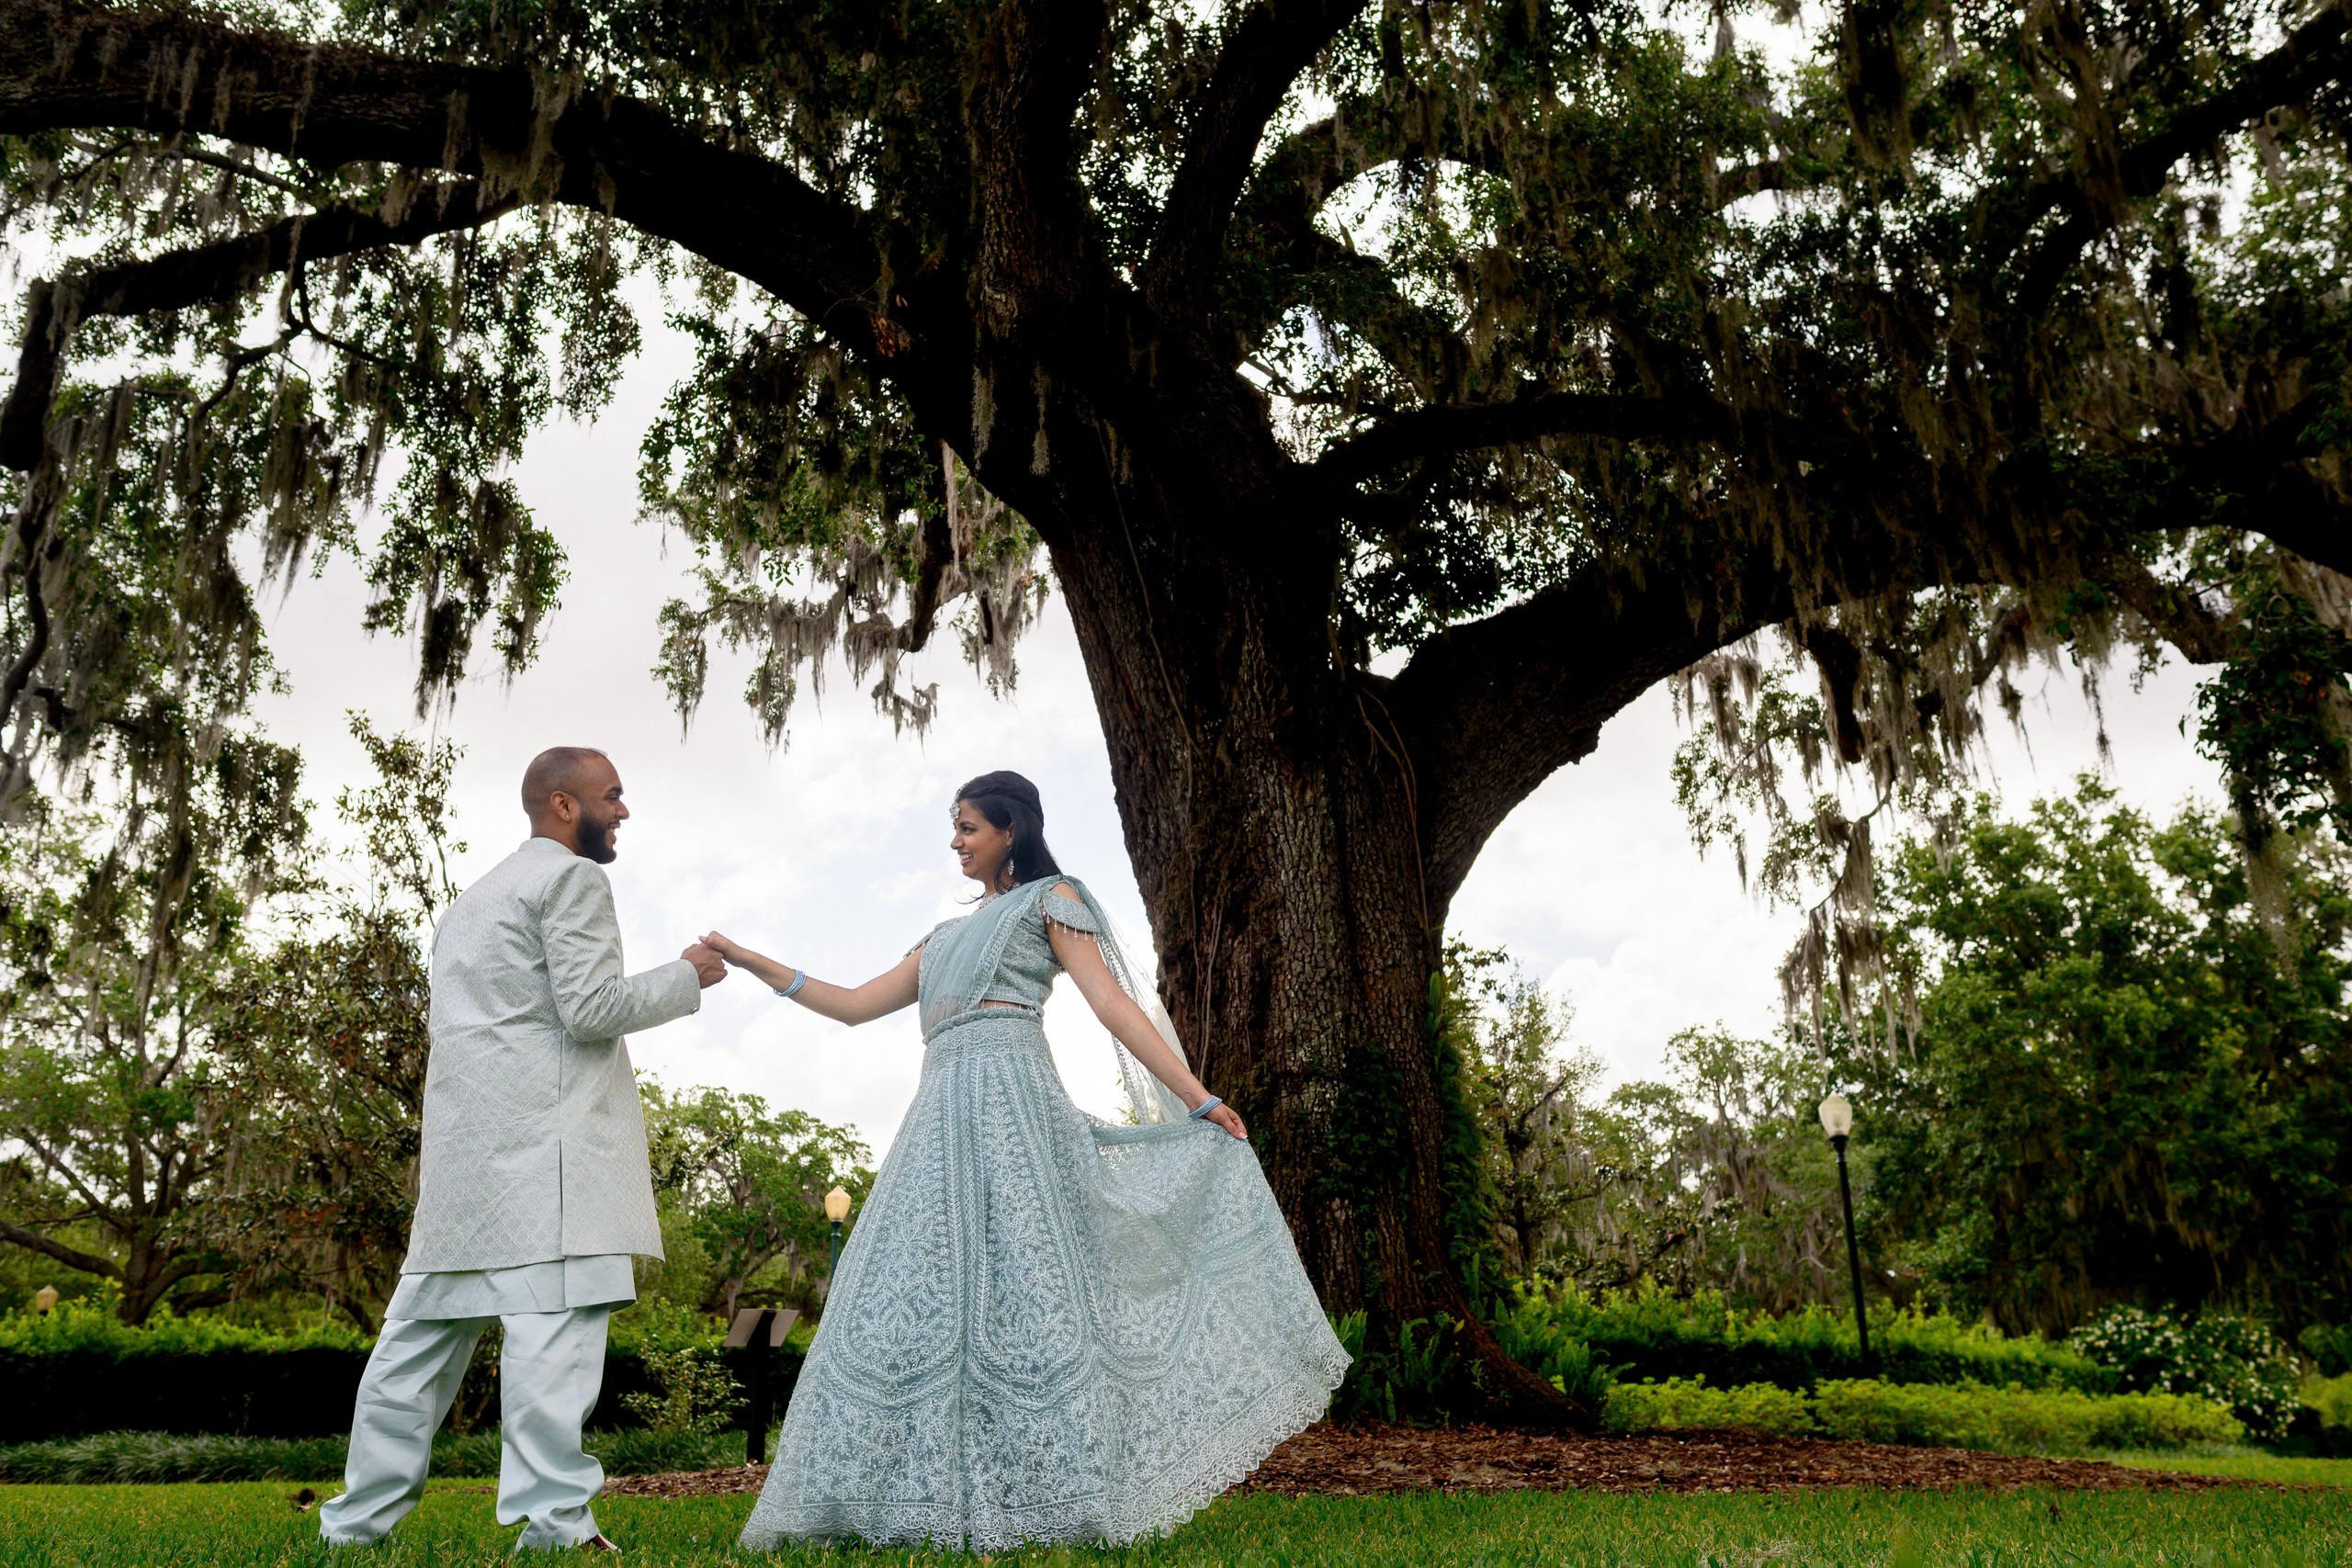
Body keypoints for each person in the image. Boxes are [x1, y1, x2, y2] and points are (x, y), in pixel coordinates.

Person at [708, 769, 1349, 1552]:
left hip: (1014, 1110)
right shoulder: (941, 936)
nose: (955, 840)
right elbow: (850, 1004)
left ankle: (1054, 1491)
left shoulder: (1052, 900)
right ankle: (895, 1495)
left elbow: (1111, 1003)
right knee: (915, 1291)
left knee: (1030, 1293)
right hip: (936, 1122)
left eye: (968, 826)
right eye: (954, 826)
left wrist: (1196, 1096)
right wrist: (747, 958)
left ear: (1010, 829)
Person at [319, 748, 729, 1552]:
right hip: (550, 1164)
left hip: (468, 1169)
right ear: (563, 803)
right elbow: (589, 1007)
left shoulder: (471, 899)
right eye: (613, 794)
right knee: (552, 1354)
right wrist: (687, 976)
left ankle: (355, 1528)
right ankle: (556, 1530)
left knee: (412, 1359)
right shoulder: (573, 880)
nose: (623, 810)